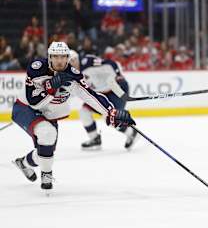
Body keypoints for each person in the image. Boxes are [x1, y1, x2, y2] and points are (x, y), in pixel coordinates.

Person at [12, 42, 135, 192]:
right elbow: (34, 102)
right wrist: (51, 88)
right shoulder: (37, 68)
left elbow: (91, 96)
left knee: (46, 151)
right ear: (49, 57)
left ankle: (23, 163)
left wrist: (110, 112)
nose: (59, 60)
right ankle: (46, 174)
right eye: (56, 57)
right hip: (26, 108)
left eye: (63, 57)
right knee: (47, 134)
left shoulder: (73, 75)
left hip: (48, 114)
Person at [69, 51, 138, 150]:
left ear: (75, 59)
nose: (70, 66)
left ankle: (132, 133)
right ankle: (95, 139)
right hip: (102, 94)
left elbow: (110, 63)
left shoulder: (87, 62)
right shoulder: (72, 75)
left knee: (111, 117)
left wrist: (118, 75)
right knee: (84, 111)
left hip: (116, 90)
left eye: (71, 62)